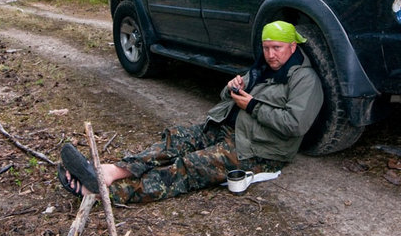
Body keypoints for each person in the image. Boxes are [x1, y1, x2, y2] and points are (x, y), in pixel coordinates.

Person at [58, 21, 323, 204]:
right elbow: (227, 97)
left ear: (292, 47)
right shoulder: (262, 67)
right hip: (228, 128)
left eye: (277, 48)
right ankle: (112, 171)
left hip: (258, 149)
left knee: (190, 166)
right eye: (266, 48)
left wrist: (252, 105)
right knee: (175, 140)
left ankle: (103, 193)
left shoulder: (304, 79)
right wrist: (232, 88)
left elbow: (295, 124)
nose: (270, 54)